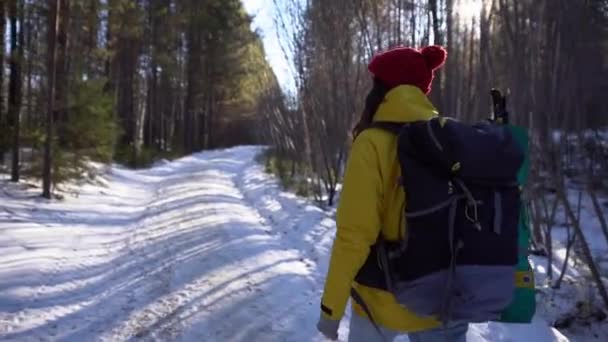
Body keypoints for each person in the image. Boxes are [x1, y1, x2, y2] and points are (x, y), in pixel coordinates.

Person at [316, 45, 469, 342]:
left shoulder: (372, 143)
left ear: (382, 89)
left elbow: (355, 235)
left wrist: (330, 311)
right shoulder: (449, 137)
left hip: (381, 300)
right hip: (444, 296)